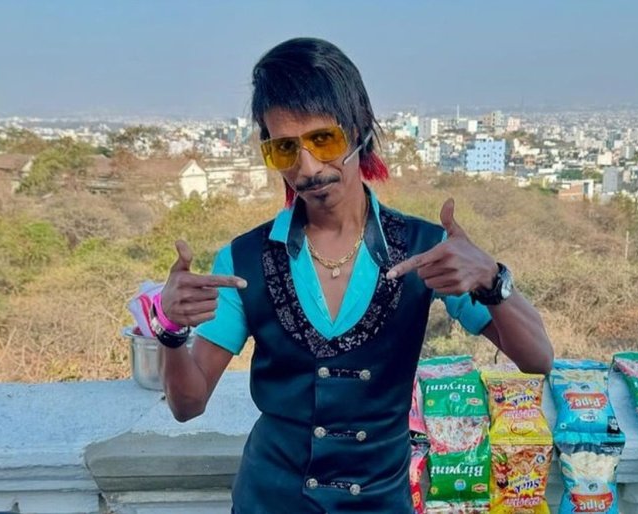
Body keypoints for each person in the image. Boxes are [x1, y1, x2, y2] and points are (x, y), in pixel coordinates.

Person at [153, 37, 554, 514]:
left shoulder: (426, 250)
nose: (308, 168)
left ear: (360, 128)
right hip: (269, 500)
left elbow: (536, 360)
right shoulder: (243, 261)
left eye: (324, 140)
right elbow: (188, 404)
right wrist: (170, 329)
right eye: (285, 150)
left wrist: (492, 278)